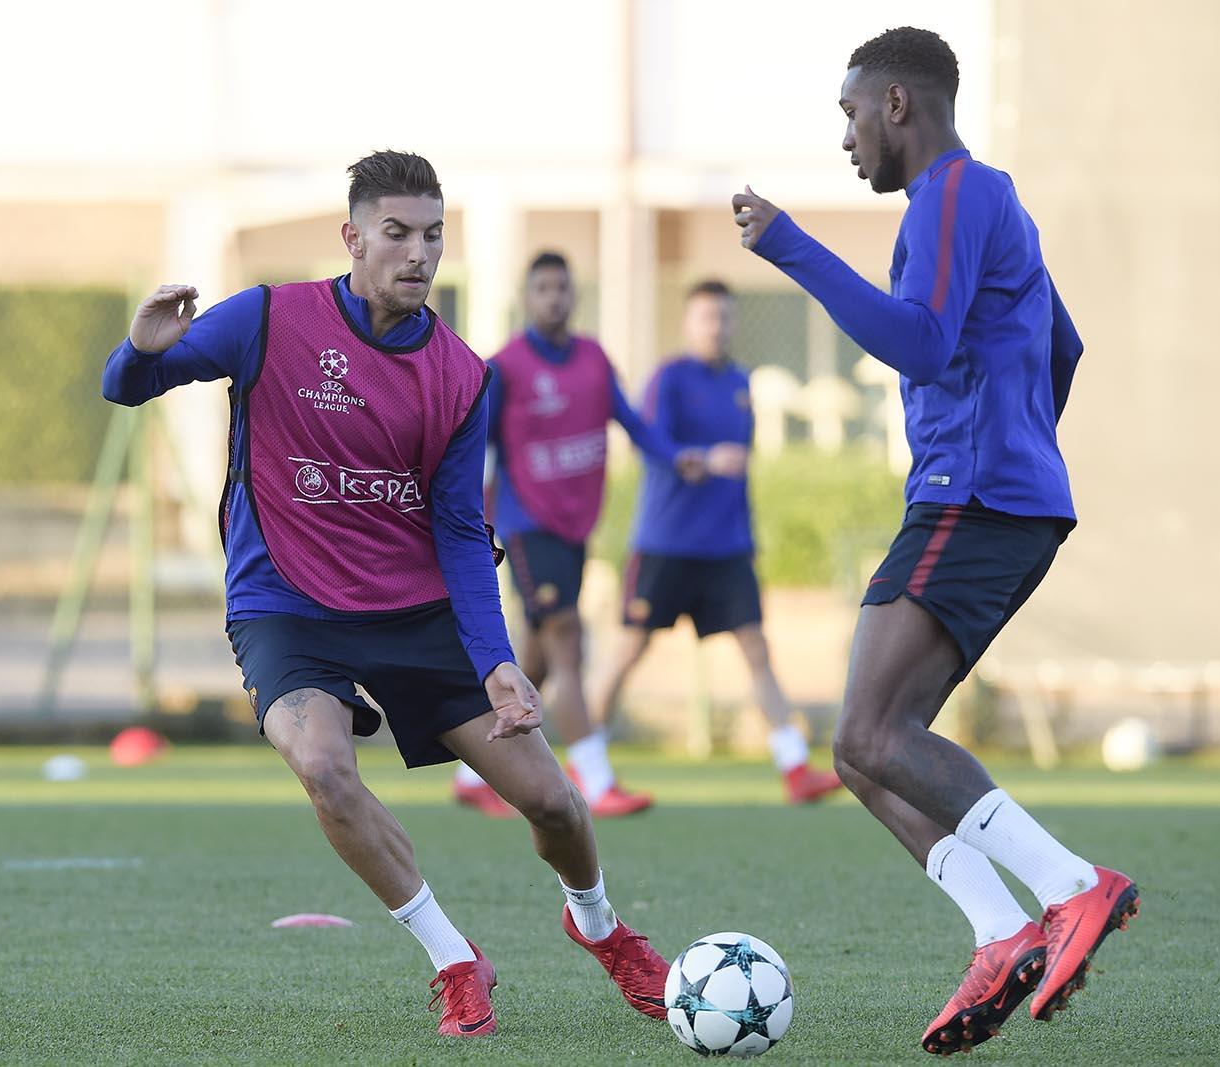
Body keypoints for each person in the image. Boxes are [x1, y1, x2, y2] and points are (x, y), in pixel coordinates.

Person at [100, 151, 669, 1039]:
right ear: (353, 237)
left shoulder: (461, 374)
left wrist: (498, 662)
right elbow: (130, 387)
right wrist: (140, 346)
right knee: (324, 769)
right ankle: (455, 958)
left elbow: (460, 529)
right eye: (397, 232)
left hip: (413, 608)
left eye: (433, 235)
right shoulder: (267, 318)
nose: (418, 253)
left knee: (553, 802)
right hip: (285, 601)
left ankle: (600, 926)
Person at [732, 27, 1138, 1054]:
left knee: (871, 733)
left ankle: (1069, 885)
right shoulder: (986, 203)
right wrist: (1022, 440)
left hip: (974, 495)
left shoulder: (953, 193)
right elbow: (1064, 344)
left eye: (850, 113)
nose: (846, 137)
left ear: (897, 104)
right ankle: (1000, 931)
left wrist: (788, 243)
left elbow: (919, 341)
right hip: (1000, 493)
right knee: (863, 748)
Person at [452, 251, 708, 819]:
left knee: (537, 659)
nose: (554, 297)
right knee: (569, 640)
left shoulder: (593, 359)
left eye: (562, 287)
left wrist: (675, 457)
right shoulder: (506, 368)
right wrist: (469, 521)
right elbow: (473, 448)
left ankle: (471, 774)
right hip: (526, 525)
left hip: (574, 528)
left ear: (575, 295)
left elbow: (632, 422)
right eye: (542, 288)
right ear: (527, 298)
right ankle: (594, 777)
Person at [590, 279, 847, 805]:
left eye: (725, 317)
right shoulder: (670, 378)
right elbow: (651, 444)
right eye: (707, 317)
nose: (717, 327)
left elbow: (743, 471)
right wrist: (703, 460)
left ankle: (795, 768)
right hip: (665, 544)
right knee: (629, 650)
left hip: (726, 548)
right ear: (688, 323)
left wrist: (748, 536)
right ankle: (586, 762)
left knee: (757, 649)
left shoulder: (740, 383)